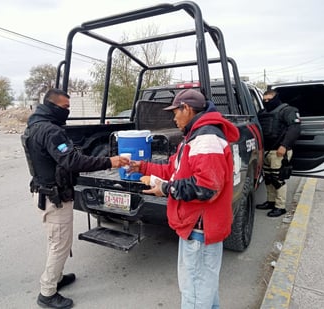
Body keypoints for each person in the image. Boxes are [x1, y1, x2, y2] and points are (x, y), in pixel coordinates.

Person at [129, 89, 239, 309]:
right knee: (204, 292)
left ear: (186, 109)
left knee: (195, 295)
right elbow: (174, 168)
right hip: (197, 226)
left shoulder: (206, 139)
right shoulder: (195, 137)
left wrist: (166, 188)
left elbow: (206, 187)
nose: (173, 118)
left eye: (175, 112)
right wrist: (142, 167)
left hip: (199, 229)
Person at [21, 88, 129, 309]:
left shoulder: (34, 126)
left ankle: (57, 277)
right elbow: (72, 161)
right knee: (59, 244)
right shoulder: (51, 131)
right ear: (51, 106)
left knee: (56, 241)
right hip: (54, 197)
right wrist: (111, 162)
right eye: (64, 108)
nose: (67, 112)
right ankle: (48, 292)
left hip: (45, 193)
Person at [256, 89, 301, 217]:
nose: (266, 102)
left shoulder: (288, 110)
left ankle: (280, 207)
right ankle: (270, 202)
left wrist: (284, 146)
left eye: (269, 100)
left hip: (279, 151)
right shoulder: (263, 112)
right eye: (264, 100)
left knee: (278, 179)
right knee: (269, 178)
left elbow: (295, 129)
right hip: (266, 151)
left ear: (276, 98)